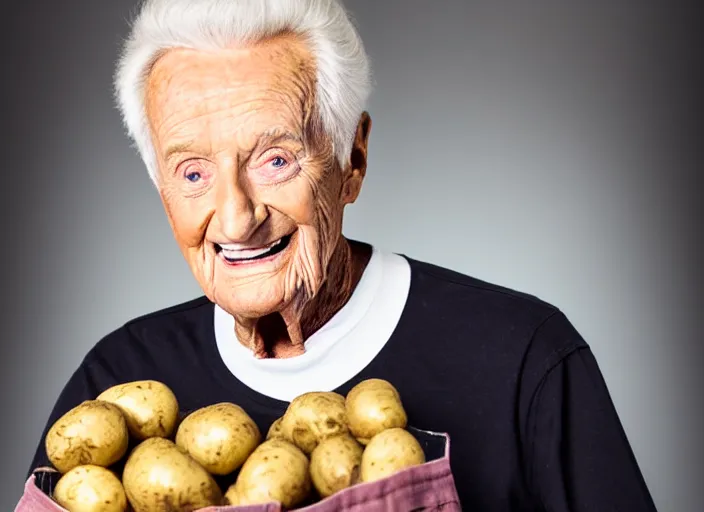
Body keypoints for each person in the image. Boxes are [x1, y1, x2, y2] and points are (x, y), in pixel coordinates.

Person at [19, 0, 658, 510]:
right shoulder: (113, 383)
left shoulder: (524, 359)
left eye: (275, 160)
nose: (237, 216)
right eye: (191, 173)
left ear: (352, 160)